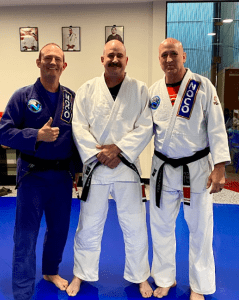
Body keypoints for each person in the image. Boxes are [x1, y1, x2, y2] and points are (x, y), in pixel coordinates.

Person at [66, 39, 153, 298]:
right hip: (96, 168)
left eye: (119, 55)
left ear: (127, 60)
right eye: (110, 55)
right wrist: (99, 154)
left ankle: (140, 276)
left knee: (135, 224)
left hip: (126, 167)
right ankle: (81, 273)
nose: (115, 59)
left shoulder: (139, 89)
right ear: (102, 59)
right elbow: (78, 126)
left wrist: (118, 150)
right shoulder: (87, 89)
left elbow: (146, 126)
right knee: (89, 224)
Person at [0, 43, 82, 300]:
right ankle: (22, 290)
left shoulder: (71, 98)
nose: (52, 62)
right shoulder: (23, 97)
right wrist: (36, 135)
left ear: (64, 65)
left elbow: (78, 136)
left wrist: (77, 169)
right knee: (26, 233)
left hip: (62, 177)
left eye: (57, 59)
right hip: (33, 176)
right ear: (38, 62)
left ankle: (50, 271)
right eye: (47, 58)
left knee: (59, 229)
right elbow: (3, 132)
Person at [149, 38, 230, 300]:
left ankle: (199, 285)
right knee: (160, 226)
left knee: (200, 229)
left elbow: (216, 127)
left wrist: (219, 167)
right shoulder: (154, 92)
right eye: (164, 55)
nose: (169, 59)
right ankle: (164, 278)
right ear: (159, 59)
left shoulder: (203, 87)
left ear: (184, 56)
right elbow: (144, 131)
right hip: (162, 168)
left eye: (174, 54)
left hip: (196, 169)